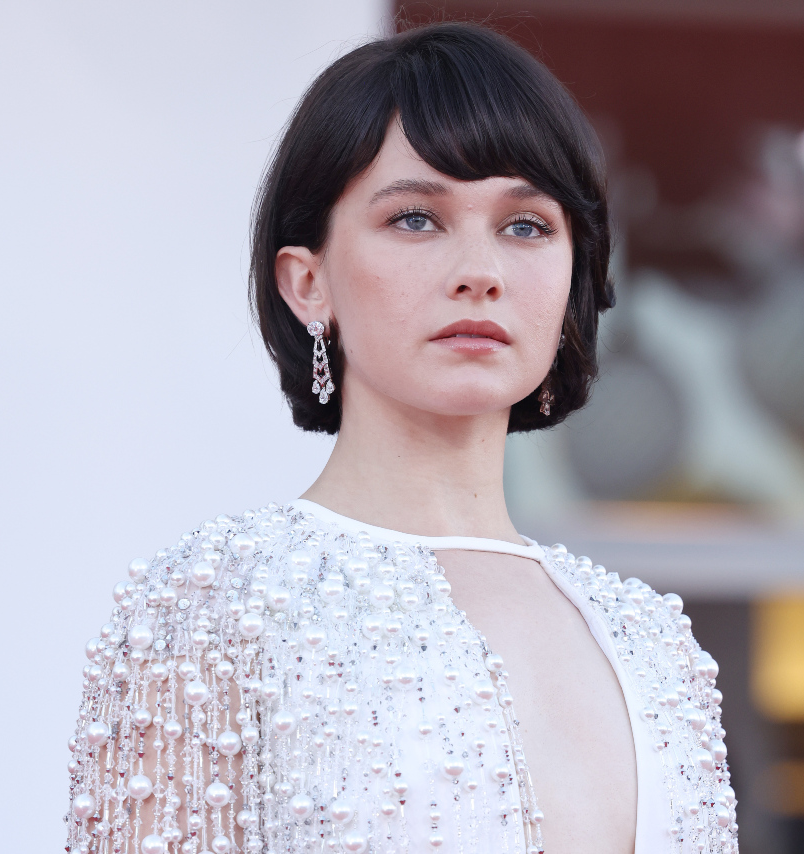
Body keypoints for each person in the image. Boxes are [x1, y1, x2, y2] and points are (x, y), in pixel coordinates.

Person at [65, 21, 735, 854]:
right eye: (417, 218)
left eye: (526, 225)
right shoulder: (211, 611)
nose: (479, 270)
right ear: (307, 282)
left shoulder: (653, 643)